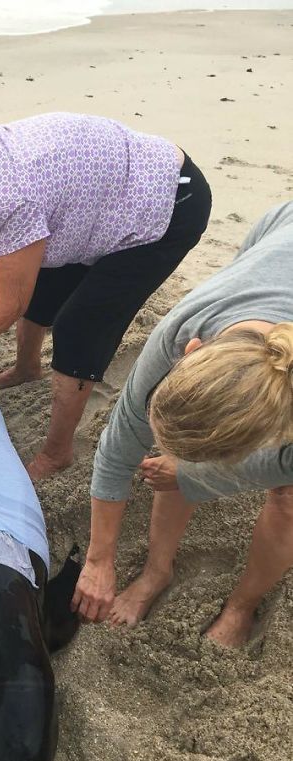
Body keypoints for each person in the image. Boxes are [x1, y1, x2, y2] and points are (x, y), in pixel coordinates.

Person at [0, 112, 211, 480]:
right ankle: (28, 368)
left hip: (167, 203)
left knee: (80, 326)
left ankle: (57, 453)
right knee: (41, 278)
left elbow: (8, 308)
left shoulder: (14, 196)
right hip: (97, 201)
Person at [72, 202, 293, 648]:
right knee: (173, 463)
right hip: (281, 232)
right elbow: (117, 450)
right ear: (191, 351)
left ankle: (241, 607)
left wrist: (193, 473)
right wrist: (99, 559)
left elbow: (284, 465)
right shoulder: (180, 331)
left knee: (288, 499)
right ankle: (157, 571)